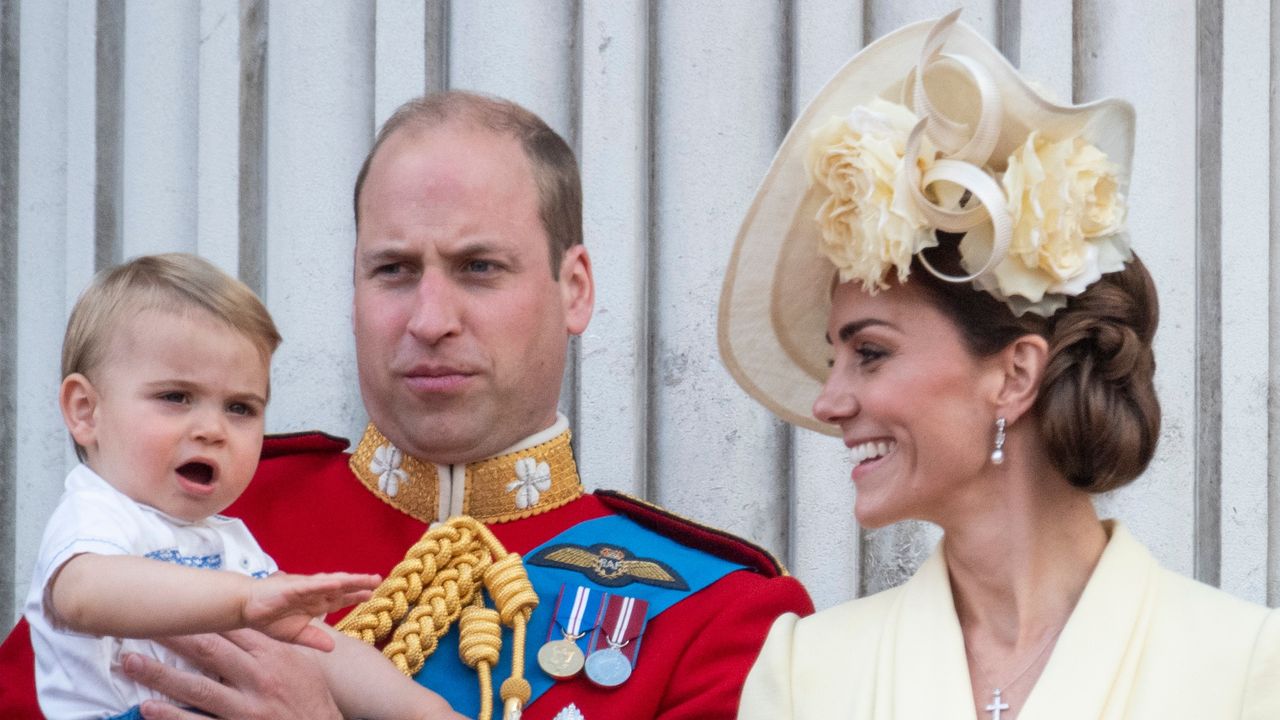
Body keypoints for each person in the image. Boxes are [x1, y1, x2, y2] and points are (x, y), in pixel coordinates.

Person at [0, 92, 813, 720]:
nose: (430, 319)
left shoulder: (713, 610)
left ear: (575, 290)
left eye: (479, 268)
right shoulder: (191, 505)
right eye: (392, 270)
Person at [719, 11, 1280, 719]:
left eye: (869, 353)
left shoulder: (1244, 670)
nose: (828, 405)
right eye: (838, 359)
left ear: (1015, 375)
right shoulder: (807, 675)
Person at [25, 253, 463, 720]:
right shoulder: (97, 512)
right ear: (85, 411)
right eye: (176, 397)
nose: (213, 429)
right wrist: (243, 601)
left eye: (240, 408)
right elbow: (84, 594)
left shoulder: (227, 539)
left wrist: (425, 711)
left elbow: (324, 650)